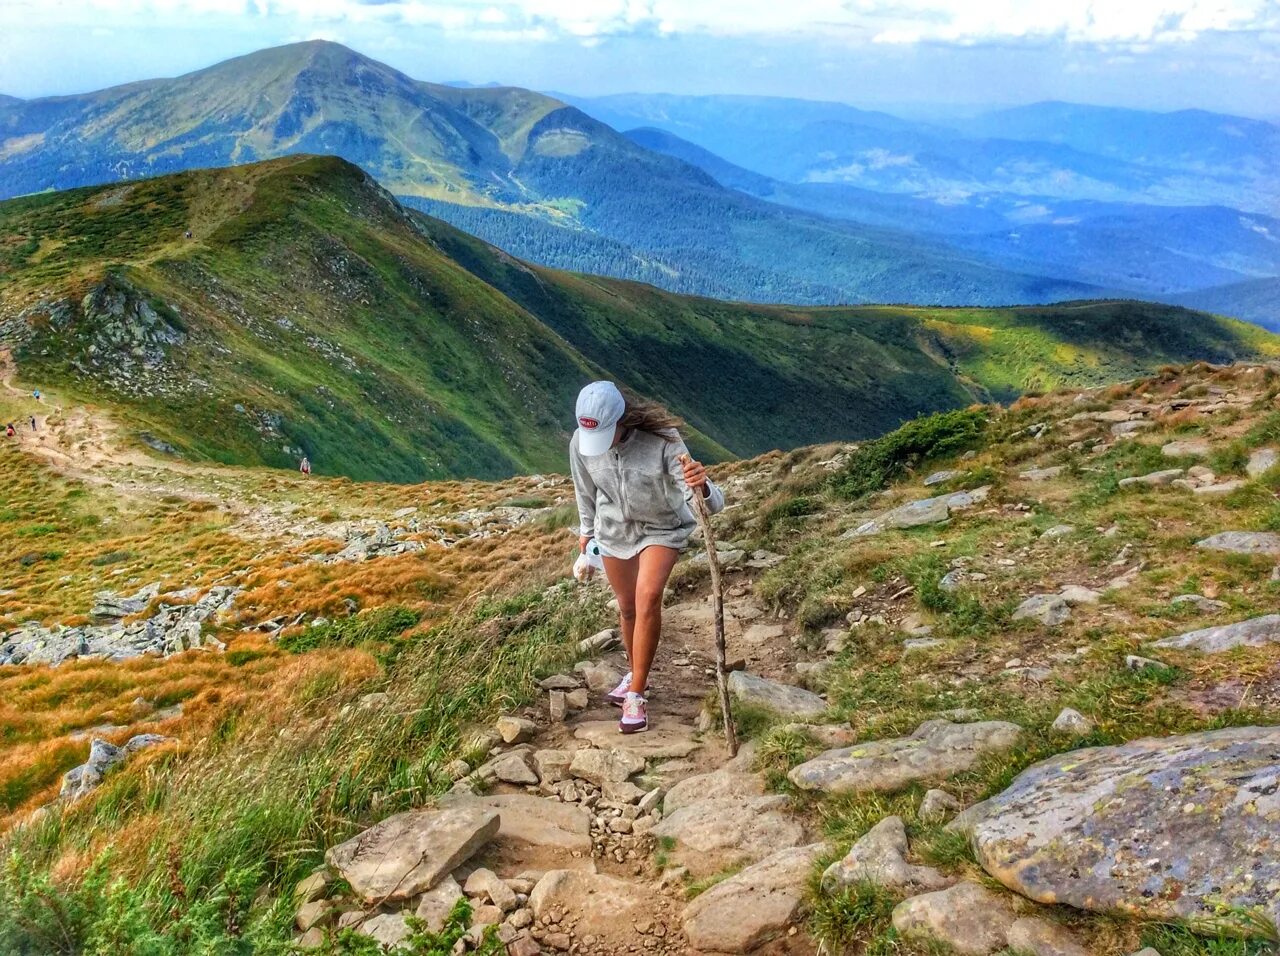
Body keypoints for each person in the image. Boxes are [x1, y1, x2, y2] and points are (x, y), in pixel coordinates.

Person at [569, 381, 724, 734]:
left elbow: (706, 503)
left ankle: (636, 693)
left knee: (648, 596)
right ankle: (635, 670)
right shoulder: (580, 442)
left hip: (662, 528)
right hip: (614, 532)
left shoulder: (664, 441)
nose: (600, 443)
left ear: (622, 418)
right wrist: (586, 533)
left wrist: (703, 486)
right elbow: (585, 491)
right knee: (626, 607)